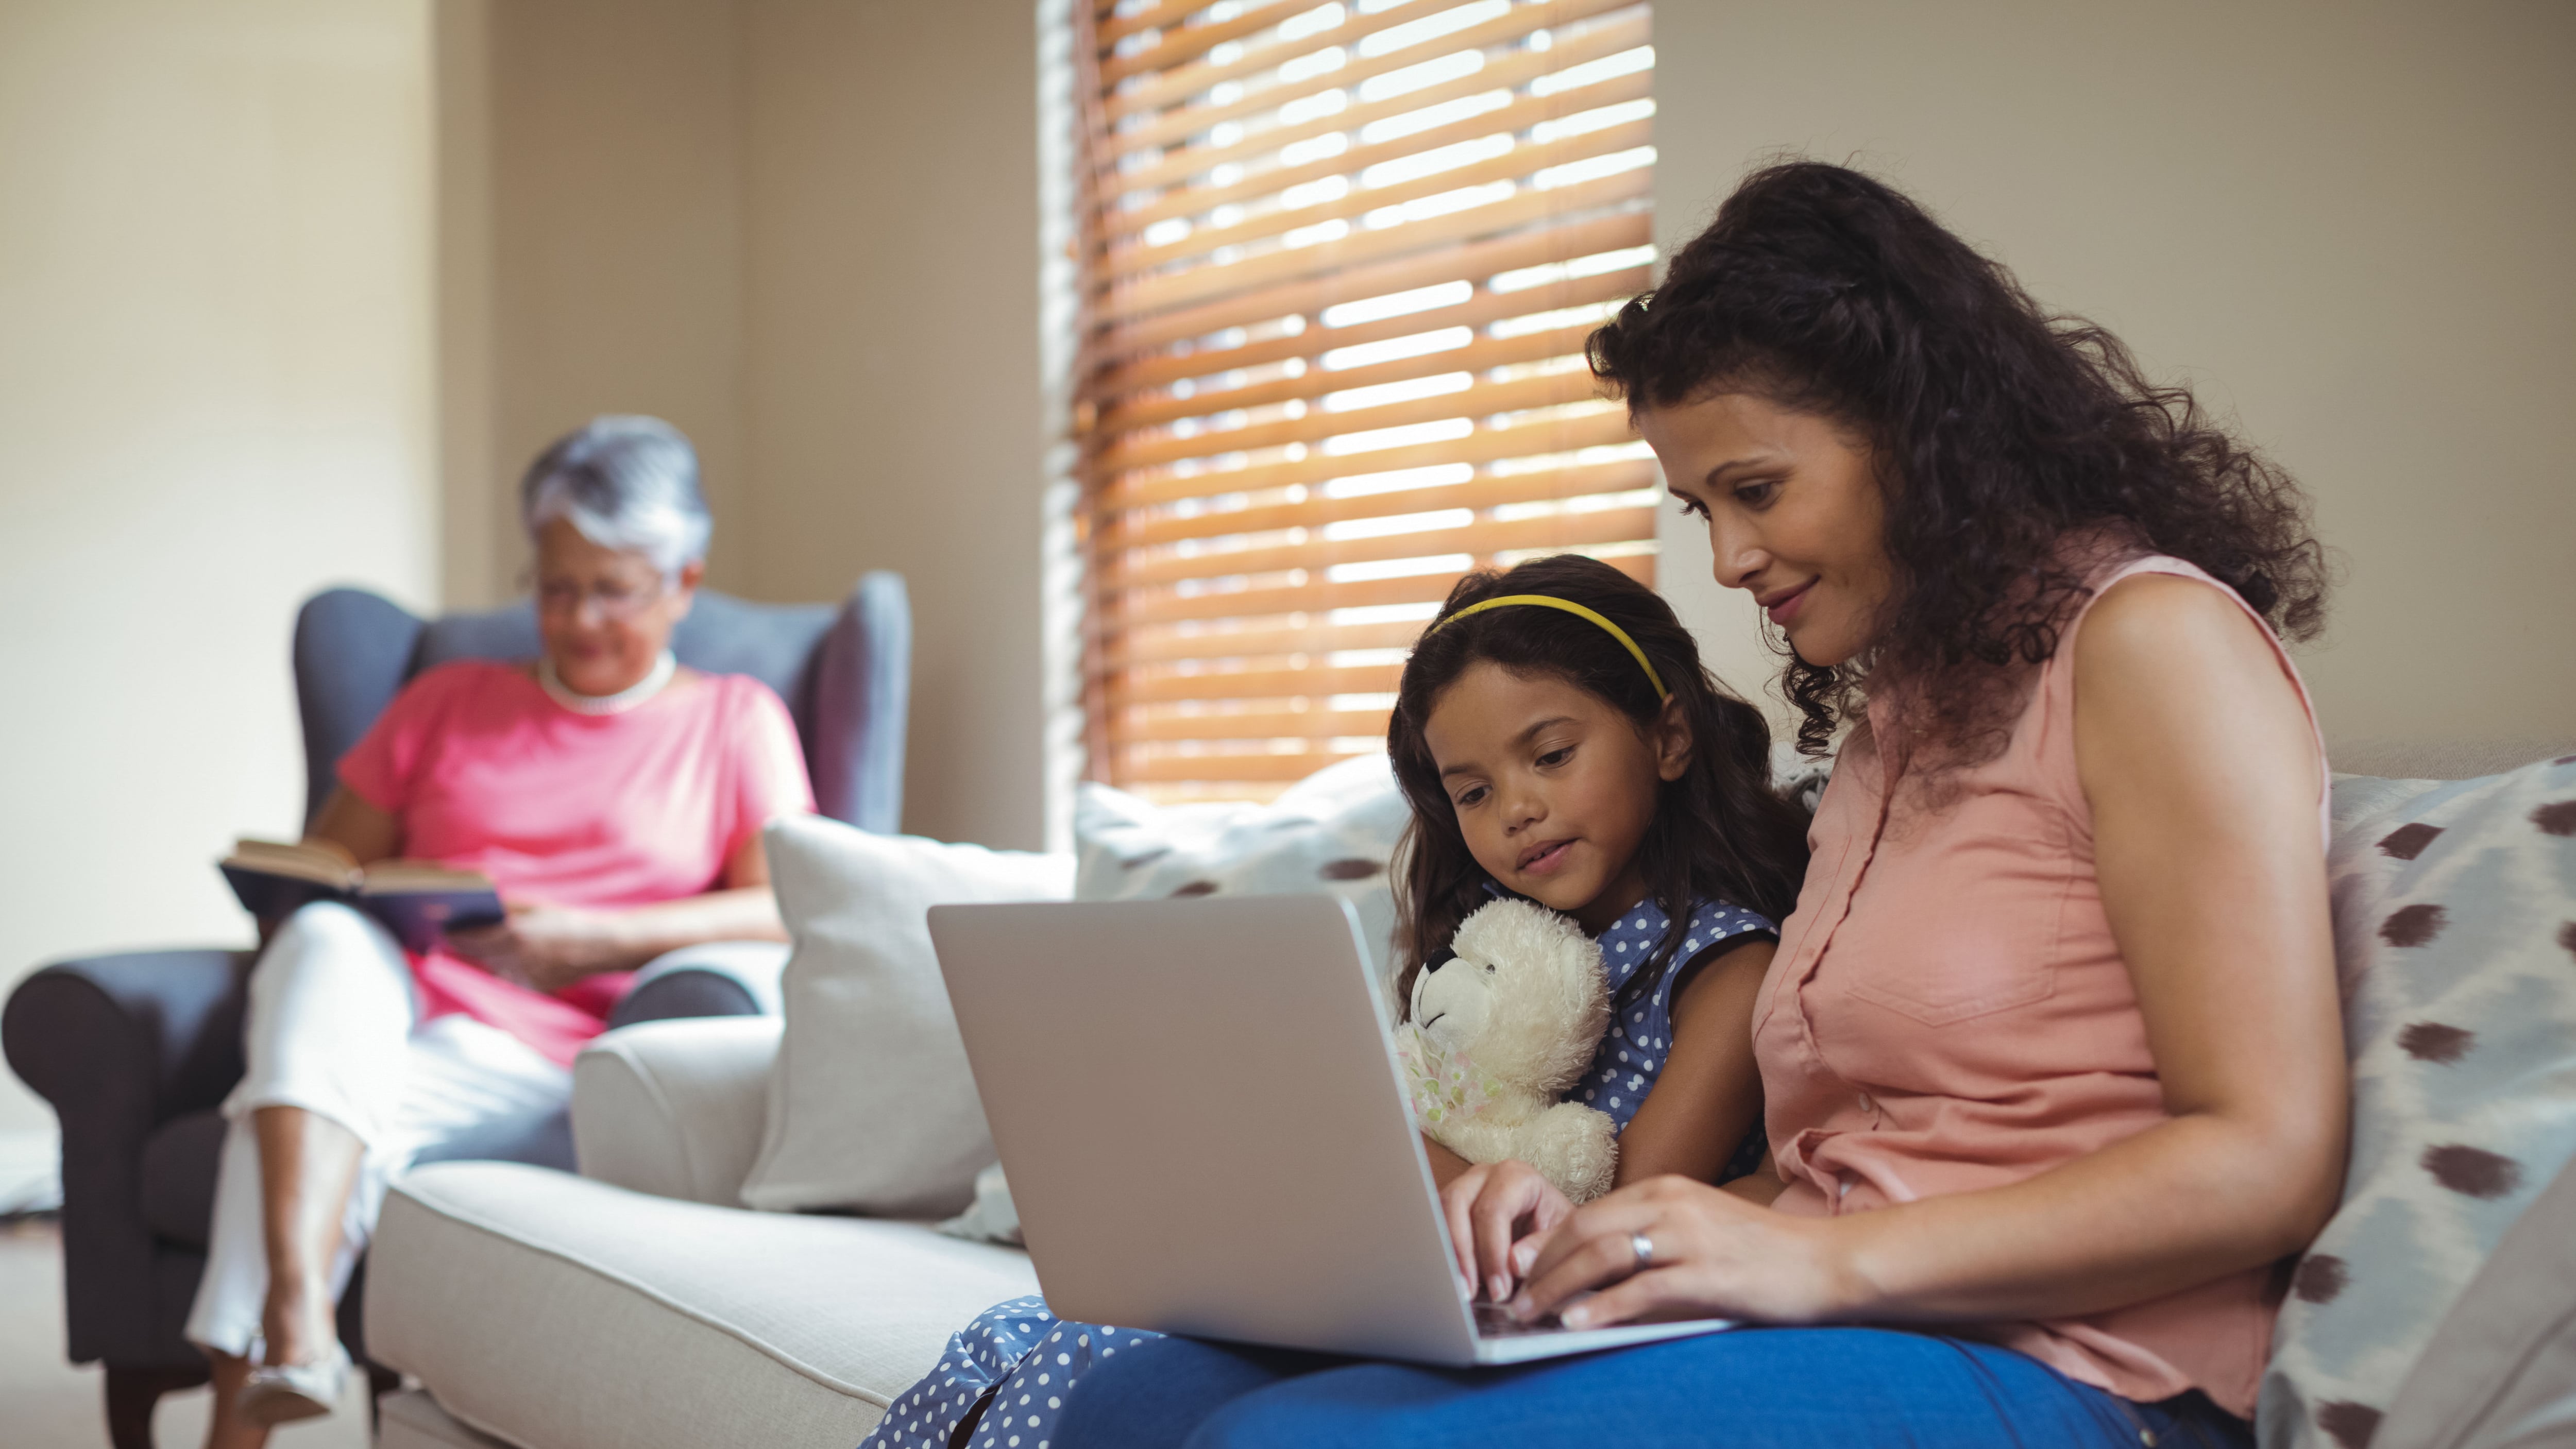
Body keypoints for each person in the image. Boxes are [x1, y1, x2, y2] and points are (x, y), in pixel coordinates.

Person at [1053, 162, 2342, 1448]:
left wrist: (1820, 1262)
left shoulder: (2150, 644)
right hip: (1836, 1320)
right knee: (1130, 1403)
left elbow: (2266, 1160)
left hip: (2078, 1371)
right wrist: (1594, 1239)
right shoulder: (1894, 726)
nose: (1726, 560)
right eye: (1699, 506)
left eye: (1756, 491)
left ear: (1920, 428)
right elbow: (1840, 1168)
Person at [856, 554, 1810, 1449]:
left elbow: (1614, 1219)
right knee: (1022, 1332)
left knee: (1099, 1362)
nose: (1517, 808)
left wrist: (1368, 1141)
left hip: (1548, 1312)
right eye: (1473, 792)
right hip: (1409, 1284)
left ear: (1668, 737)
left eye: (1552, 755)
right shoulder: (1489, 949)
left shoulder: (1726, 967)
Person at [191, 416, 815, 1447]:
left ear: (684, 583)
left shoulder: (734, 721)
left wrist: (595, 939)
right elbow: (329, 871)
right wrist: (338, 892)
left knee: (283, 1119)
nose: (579, 620)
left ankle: (270, 1368)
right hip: (393, 1006)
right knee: (323, 947)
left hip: (558, 1051)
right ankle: (296, 1322)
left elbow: (790, 909)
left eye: (613, 591)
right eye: (556, 588)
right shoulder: (445, 700)